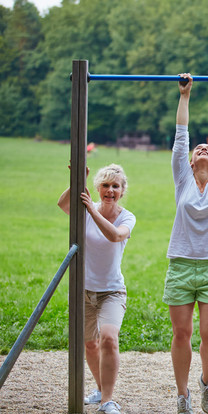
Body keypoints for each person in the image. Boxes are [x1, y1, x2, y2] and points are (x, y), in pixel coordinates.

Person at [163, 73, 208, 414]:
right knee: (181, 334)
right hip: (180, 265)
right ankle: (182, 394)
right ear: (190, 162)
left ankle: (205, 382)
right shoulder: (182, 180)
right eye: (197, 149)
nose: (204, 149)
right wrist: (185, 96)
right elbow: (180, 138)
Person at [57, 164, 136, 414]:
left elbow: (115, 236)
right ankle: (101, 390)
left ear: (122, 191)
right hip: (83, 290)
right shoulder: (84, 210)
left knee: (109, 339)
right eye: (105, 185)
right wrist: (79, 178)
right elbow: (63, 205)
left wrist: (92, 209)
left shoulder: (127, 217)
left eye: (115, 186)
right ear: (97, 188)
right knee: (89, 344)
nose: (110, 190)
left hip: (112, 291)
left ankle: (107, 402)